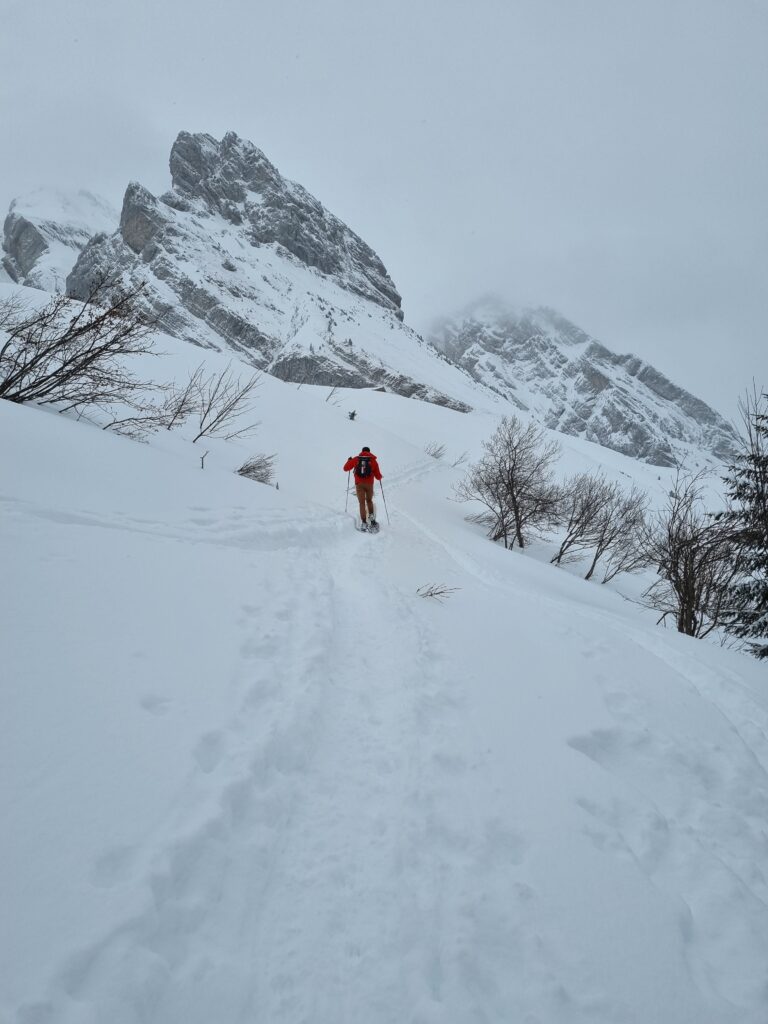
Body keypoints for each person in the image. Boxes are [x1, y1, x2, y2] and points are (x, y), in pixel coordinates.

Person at [344, 446, 383, 530]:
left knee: (361, 503)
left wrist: (349, 461)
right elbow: (378, 476)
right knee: (369, 501)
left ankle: (364, 523)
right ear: (369, 452)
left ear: (362, 451)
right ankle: (372, 521)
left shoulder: (356, 459)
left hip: (359, 484)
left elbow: (345, 468)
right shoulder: (373, 461)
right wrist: (380, 477)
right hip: (369, 484)